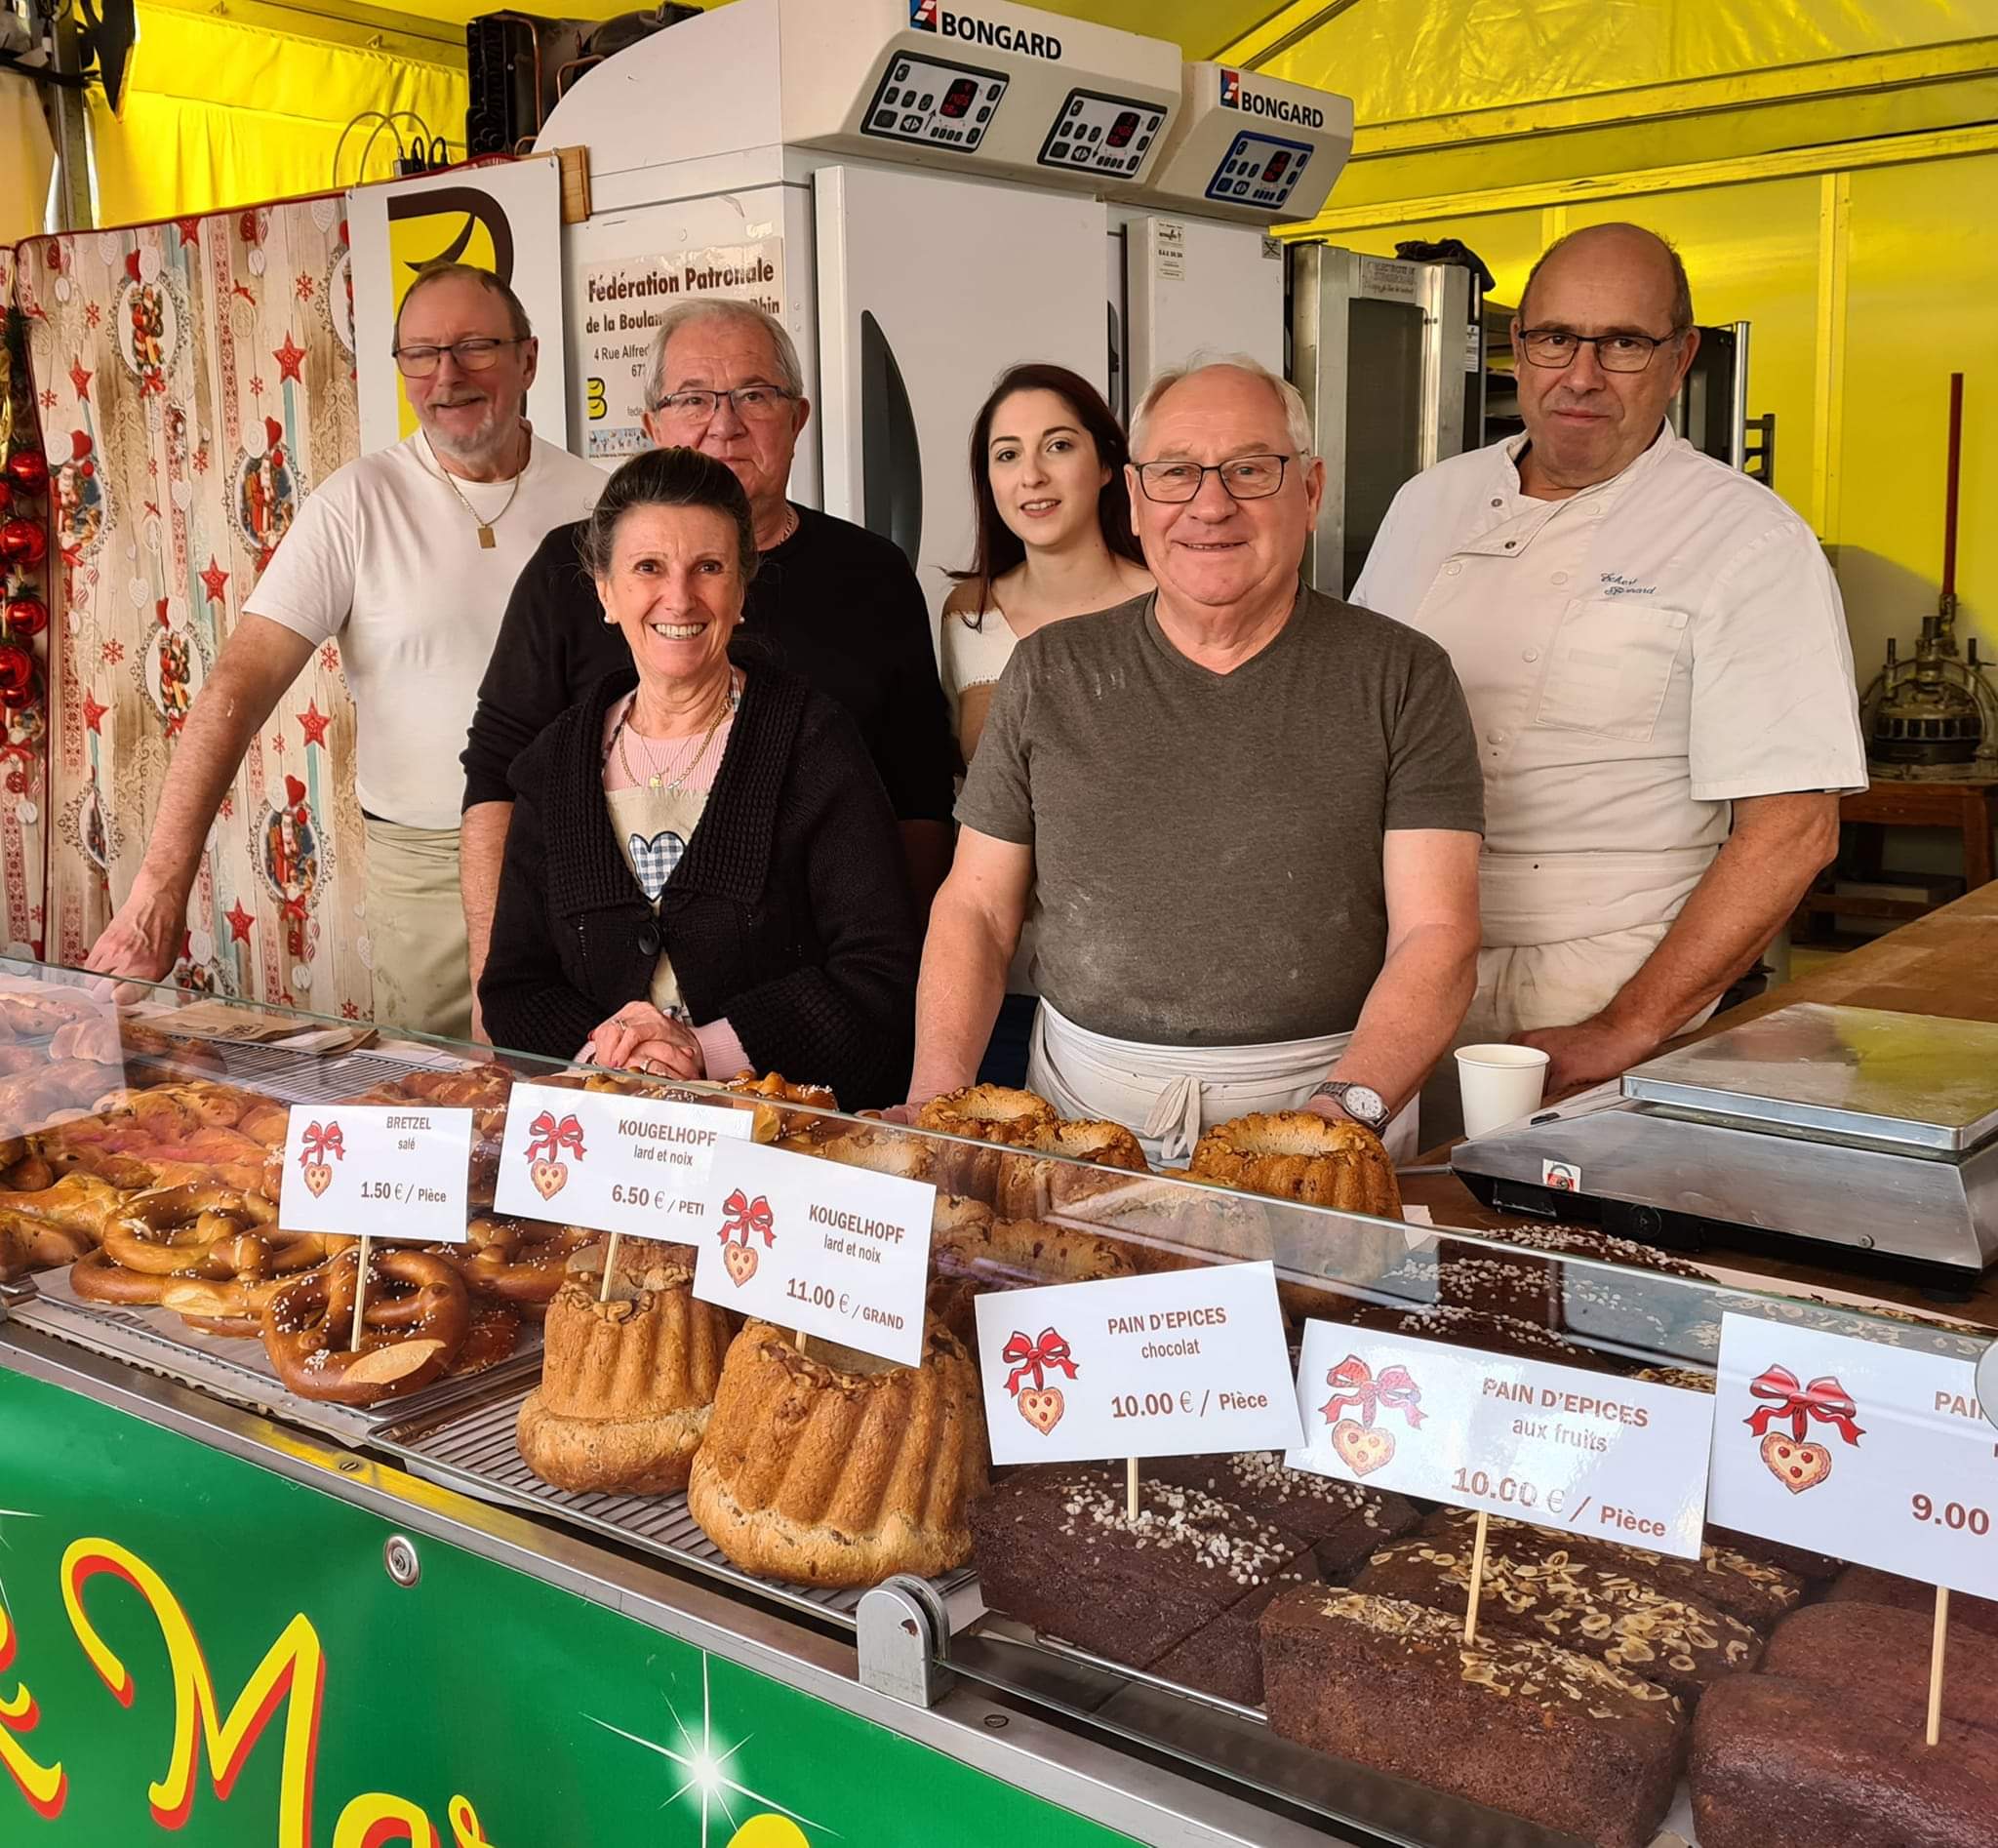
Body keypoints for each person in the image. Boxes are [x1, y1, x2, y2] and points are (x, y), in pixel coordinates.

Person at [903, 355, 1486, 1164]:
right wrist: (938, 1101)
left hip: (1327, 1109)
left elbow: (1437, 931)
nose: (1211, 505)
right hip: (1078, 1111)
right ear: (1137, 499)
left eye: (1250, 470)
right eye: (1176, 474)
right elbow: (975, 906)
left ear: (1310, 492)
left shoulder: (1400, 675)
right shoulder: (1049, 671)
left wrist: (1343, 1115)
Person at [1353, 222, 1865, 1106]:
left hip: (1597, 989)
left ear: (1681, 358)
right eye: (1556, 338)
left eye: (1624, 343)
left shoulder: (1745, 538)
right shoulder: (1427, 502)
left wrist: (1629, 1024)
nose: (1580, 375)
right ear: (1518, 348)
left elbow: (1792, 829)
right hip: (1395, 969)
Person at [83, 262, 603, 1040]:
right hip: (423, 871)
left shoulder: (602, 501)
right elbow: (237, 685)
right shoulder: (356, 503)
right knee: (437, 1102)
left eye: (474, 347)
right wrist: (159, 891)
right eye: (421, 354)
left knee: (587, 1085)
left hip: (584, 854)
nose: (447, 375)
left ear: (528, 359)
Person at [461, 299, 956, 1021]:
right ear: (652, 427)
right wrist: (496, 998)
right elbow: (498, 783)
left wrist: (894, 1001)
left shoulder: (873, 576)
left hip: (806, 1032)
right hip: (600, 1044)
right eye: (692, 398)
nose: (724, 423)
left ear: (798, 418)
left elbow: (918, 802)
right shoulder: (563, 572)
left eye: (755, 395)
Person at [479, 447, 918, 1106]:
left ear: (742, 589)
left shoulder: (814, 744)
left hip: (782, 1141)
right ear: (605, 590)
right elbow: (515, 987)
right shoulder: (556, 764)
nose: (678, 597)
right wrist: (618, 1059)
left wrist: (703, 1051)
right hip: (606, 1136)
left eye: (708, 568)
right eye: (648, 567)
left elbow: (878, 972)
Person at [939, 363, 1152, 1086]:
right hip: (1000, 977)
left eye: (1058, 446)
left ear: (1105, 466)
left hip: (1129, 988)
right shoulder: (967, 615)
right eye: (1007, 455)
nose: (1031, 475)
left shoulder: (1171, 605)